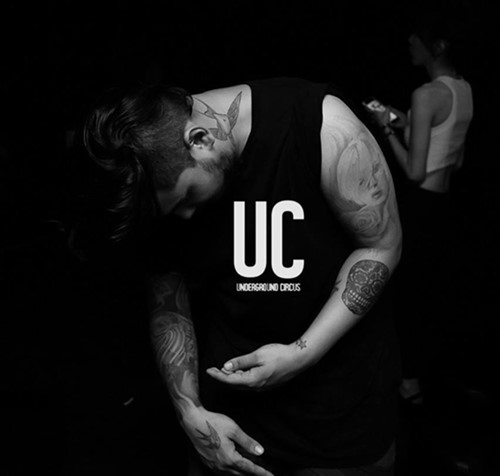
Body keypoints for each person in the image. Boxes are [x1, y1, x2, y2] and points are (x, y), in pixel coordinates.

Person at [77, 76, 402, 475]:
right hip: (230, 425)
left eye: (187, 197)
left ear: (199, 140)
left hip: (340, 422)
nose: (185, 216)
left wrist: (302, 353)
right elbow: (167, 297)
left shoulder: (322, 125)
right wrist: (190, 411)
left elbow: (381, 246)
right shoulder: (149, 170)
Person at [367, 12, 473, 407]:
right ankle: (423, 377)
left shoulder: (426, 94)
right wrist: (399, 118)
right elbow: (453, 157)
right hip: (445, 205)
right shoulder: (463, 89)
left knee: (406, 296)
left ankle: (408, 384)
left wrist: (386, 129)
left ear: (437, 46)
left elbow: (413, 172)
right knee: (430, 293)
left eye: (418, 38)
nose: (410, 40)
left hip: (420, 207)